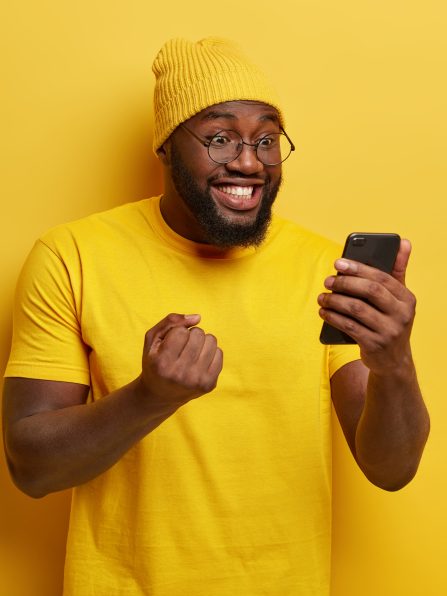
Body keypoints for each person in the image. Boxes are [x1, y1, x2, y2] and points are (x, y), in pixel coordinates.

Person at [2, 37, 429, 596]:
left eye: (268, 139)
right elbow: (31, 469)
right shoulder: (72, 257)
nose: (249, 161)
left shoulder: (326, 271)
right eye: (220, 137)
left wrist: (394, 362)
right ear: (166, 146)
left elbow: (390, 469)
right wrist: (150, 396)